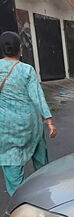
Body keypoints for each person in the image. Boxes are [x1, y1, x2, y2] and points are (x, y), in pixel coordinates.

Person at [0, 31, 56, 196]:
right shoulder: (26, 70)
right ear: (20, 49)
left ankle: (20, 202)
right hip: (30, 123)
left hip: (5, 126)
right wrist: (49, 120)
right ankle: (46, 192)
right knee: (40, 159)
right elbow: (37, 97)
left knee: (10, 162)